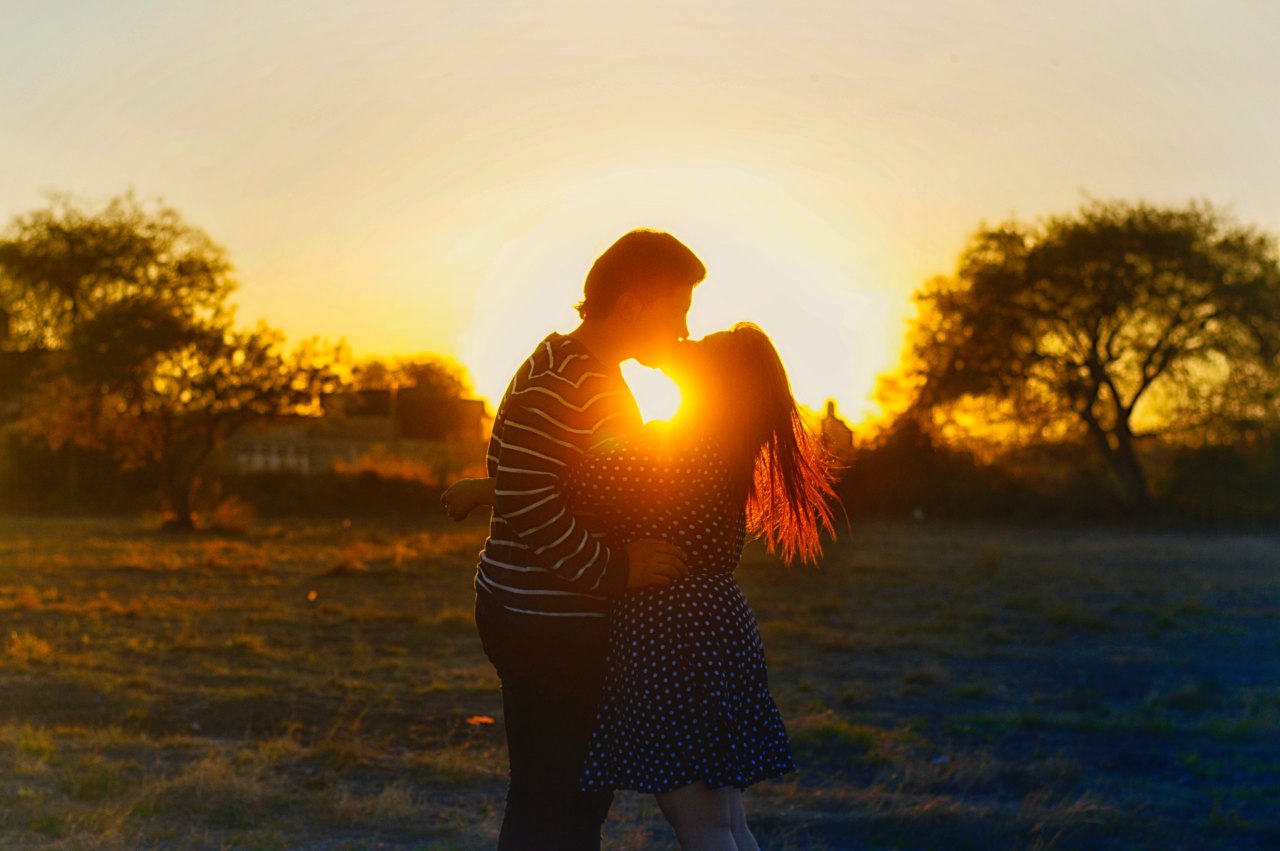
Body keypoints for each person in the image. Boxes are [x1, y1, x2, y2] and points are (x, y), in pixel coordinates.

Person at [446, 323, 838, 850]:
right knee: (726, 821)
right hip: (718, 627)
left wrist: (481, 489)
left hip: (674, 637)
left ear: (714, 380)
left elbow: (561, 482)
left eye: (700, 347)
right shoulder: (721, 447)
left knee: (701, 823)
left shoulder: (675, 446)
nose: (683, 341)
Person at [454, 229, 706, 851]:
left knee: (567, 795)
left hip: (539, 613)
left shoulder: (576, 368)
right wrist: (615, 570)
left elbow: (557, 477)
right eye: (676, 310)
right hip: (547, 621)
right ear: (630, 304)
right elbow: (532, 500)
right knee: (557, 798)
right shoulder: (567, 377)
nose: (683, 330)